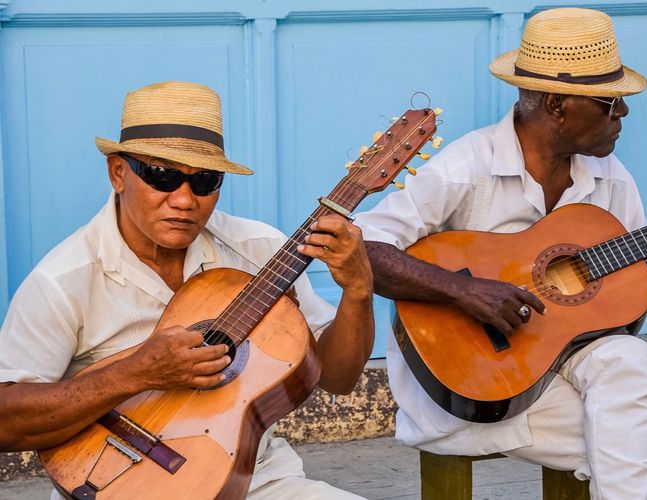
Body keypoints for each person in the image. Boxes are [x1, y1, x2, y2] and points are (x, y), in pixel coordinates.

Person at [353, 7, 647, 500]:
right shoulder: (466, 167)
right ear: (558, 104)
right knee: (626, 439)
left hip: (561, 370)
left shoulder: (609, 177)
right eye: (611, 102)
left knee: (629, 358)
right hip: (468, 386)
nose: (623, 114)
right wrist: (461, 289)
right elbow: (363, 247)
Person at [0, 81, 374, 499]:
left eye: (205, 181)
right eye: (162, 175)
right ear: (118, 173)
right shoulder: (63, 280)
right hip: (116, 483)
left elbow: (337, 378)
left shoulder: (261, 252)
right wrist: (135, 372)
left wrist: (358, 291)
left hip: (255, 478)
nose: (184, 200)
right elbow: (6, 421)